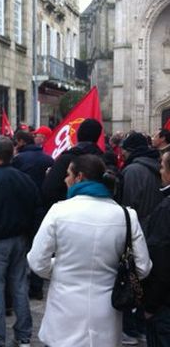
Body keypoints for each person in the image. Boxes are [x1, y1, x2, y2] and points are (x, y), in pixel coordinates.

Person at [28, 154, 152, 347]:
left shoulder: (59, 211)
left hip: (64, 309)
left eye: (68, 174)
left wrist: (61, 267)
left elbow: (37, 262)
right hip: (106, 315)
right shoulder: (126, 215)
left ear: (79, 177)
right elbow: (143, 267)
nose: (64, 179)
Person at [0, 136, 41, 347]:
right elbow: (36, 210)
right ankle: (23, 336)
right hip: (19, 240)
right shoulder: (24, 179)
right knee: (19, 287)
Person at [120, 132, 164, 343]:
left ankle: (131, 328)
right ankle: (143, 324)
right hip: (156, 231)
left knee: (132, 280)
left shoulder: (132, 171)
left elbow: (127, 206)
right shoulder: (158, 165)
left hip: (138, 233)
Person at [12, 130, 54, 300]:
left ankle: (20, 284)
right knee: (38, 246)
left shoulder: (19, 159)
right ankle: (36, 287)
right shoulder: (47, 159)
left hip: (22, 208)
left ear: (22, 142)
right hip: (41, 208)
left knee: (21, 247)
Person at [42, 118, 105, 210]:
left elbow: (49, 190)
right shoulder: (103, 159)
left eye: (69, 175)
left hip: (66, 212)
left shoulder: (66, 159)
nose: (66, 179)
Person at [143, 151, 170, 347]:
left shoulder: (165, 209)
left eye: (162, 167)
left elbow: (161, 261)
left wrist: (151, 304)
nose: (160, 172)